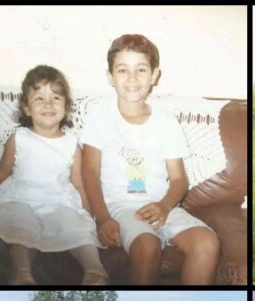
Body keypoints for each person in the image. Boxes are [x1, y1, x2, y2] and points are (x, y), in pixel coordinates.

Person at [81, 34, 220, 284]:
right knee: (147, 245)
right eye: (123, 69)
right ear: (110, 76)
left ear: (154, 75)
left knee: (207, 242)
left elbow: (179, 179)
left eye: (141, 69)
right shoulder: (99, 116)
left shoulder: (166, 122)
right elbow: (89, 172)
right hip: (120, 207)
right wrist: (102, 218)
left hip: (162, 206)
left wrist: (165, 206)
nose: (132, 78)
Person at [0, 65, 106, 285]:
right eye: (39, 99)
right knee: (19, 226)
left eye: (56, 97)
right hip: (21, 198)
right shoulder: (19, 138)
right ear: (26, 108)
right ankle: (23, 273)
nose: (48, 104)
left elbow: (79, 184)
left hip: (58, 200)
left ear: (66, 107)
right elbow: (1, 172)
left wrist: (88, 215)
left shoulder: (72, 144)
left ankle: (95, 271)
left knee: (78, 229)